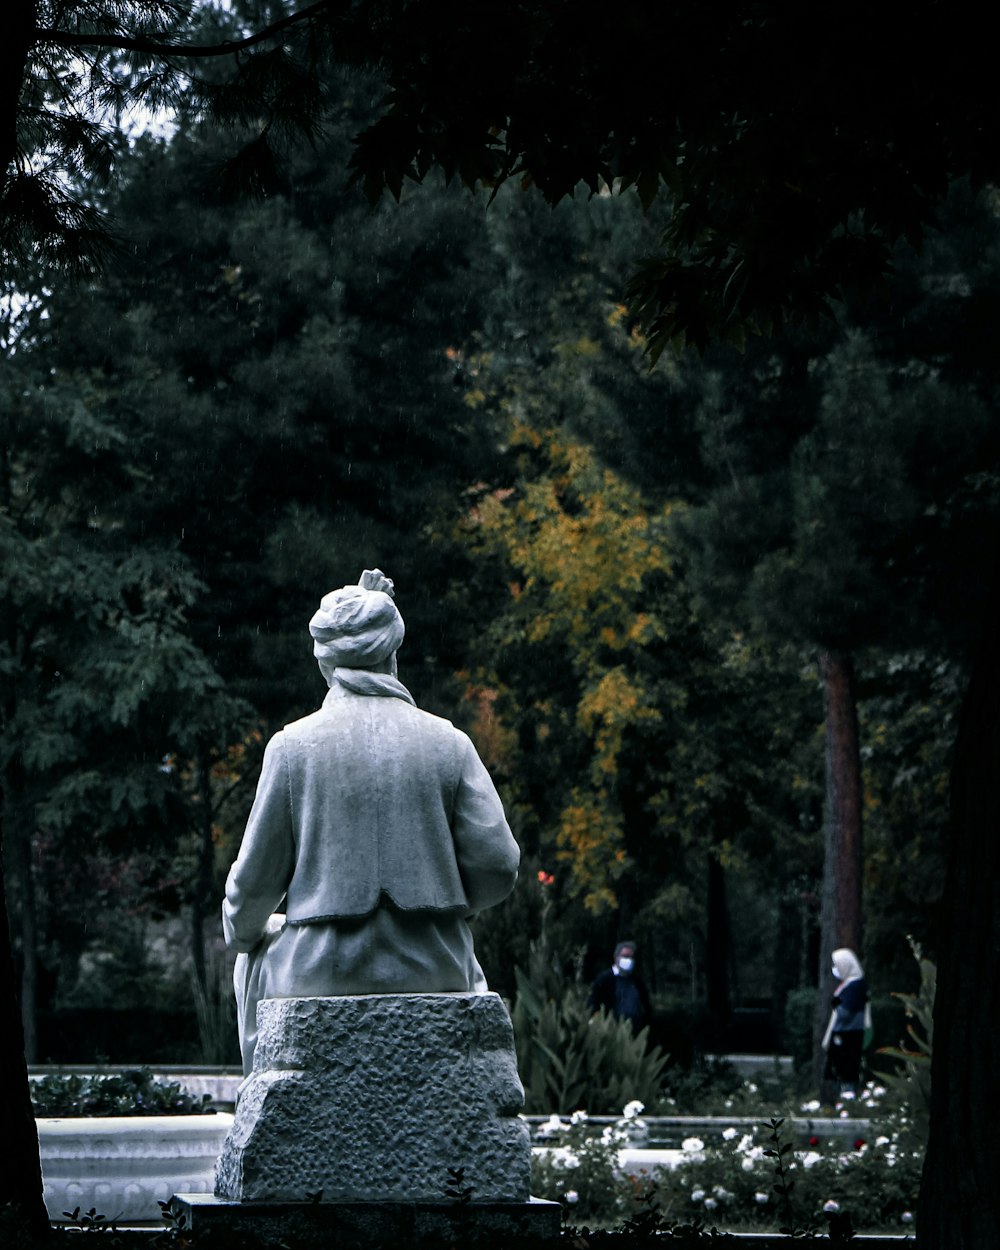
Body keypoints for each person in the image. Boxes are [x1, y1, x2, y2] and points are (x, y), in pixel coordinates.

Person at [222, 569, 521, 1074]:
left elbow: (252, 888)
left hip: (322, 971)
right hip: (435, 965)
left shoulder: (293, 748)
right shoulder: (448, 742)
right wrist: (438, 909)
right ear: (392, 653)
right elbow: (499, 867)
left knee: (250, 959)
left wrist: (241, 932)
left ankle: (274, 1089)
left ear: (327, 664)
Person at [821, 947, 869, 1092]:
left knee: (846, 1074)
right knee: (838, 1073)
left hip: (848, 1035)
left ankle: (847, 1104)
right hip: (843, 1034)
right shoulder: (849, 984)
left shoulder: (855, 986)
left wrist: (836, 1004)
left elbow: (846, 1012)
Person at [588, 940, 652, 1032]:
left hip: (635, 1031)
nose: (629, 960)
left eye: (631, 957)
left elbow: (646, 1005)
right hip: (612, 1032)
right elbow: (594, 1003)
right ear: (616, 957)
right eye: (625, 956)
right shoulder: (604, 980)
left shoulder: (637, 981)